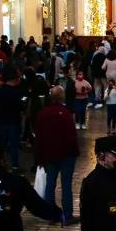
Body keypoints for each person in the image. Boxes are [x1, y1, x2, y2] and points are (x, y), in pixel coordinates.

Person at [33, 86, 78, 217]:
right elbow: (71, 136)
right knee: (66, 185)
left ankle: (50, 212)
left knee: (50, 184)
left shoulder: (42, 114)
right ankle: (68, 214)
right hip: (66, 155)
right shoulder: (65, 113)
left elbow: (39, 137)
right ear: (61, 96)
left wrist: (39, 158)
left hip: (49, 154)